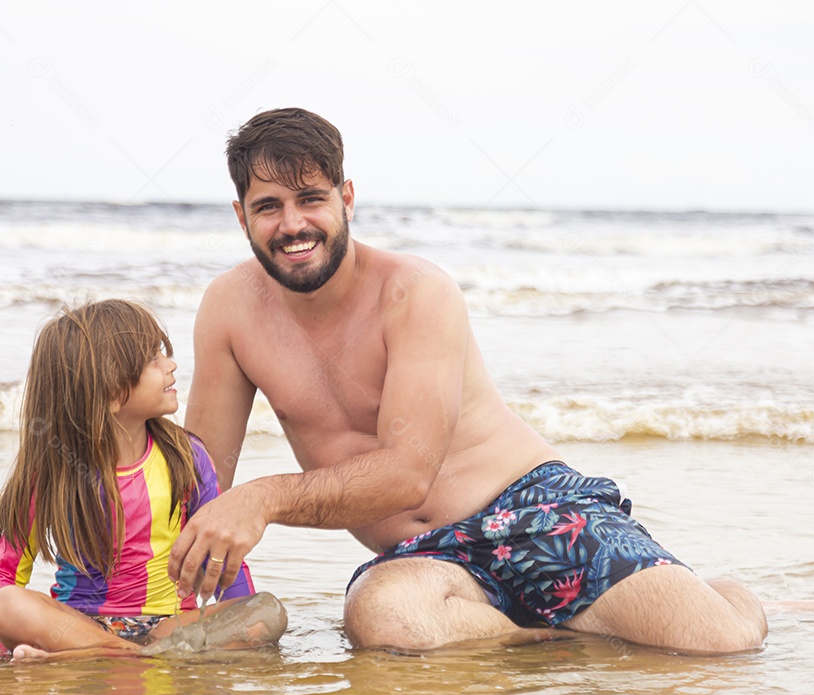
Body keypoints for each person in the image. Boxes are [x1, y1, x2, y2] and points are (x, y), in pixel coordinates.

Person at [169, 107, 768, 654]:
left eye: (310, 199)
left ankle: (717, 593)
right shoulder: (229, 309)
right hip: (424, 560)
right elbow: (196, 478)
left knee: (716, 646)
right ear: (240, 215)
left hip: (531, 510)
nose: (292, 224)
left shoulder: (415, 291)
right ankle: (550, 632)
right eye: (268, 206)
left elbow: (408, 472)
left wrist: (263, 498)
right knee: (386, 622)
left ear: (347, 198)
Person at [0, 298, 287, 661]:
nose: (171, 366)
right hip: (81, 625)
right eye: (153, 360)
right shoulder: (50, 469)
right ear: (112, 393)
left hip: (170, 625)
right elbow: (6, 570)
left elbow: (217, 552)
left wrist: (242, 618)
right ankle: (134, 655)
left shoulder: (187, 457)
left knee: (267, 612)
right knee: (6, 606)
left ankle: (97, 657)